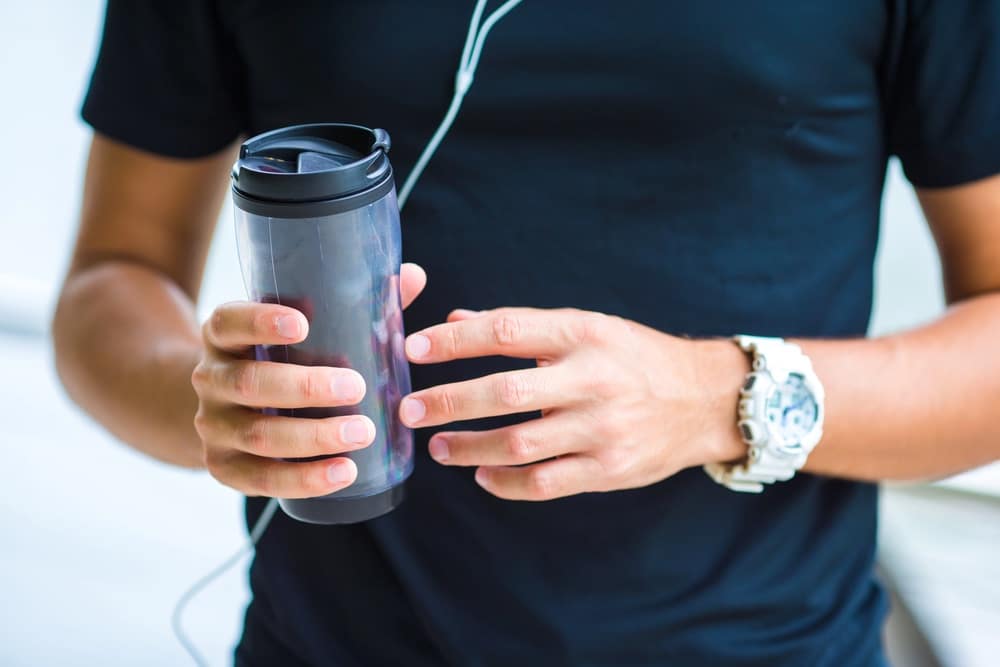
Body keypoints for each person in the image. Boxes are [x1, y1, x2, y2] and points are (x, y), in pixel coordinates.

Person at [53, 1, 1000, 665]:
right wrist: (217, 404)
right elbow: (114, 273)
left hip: (774, 644)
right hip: (330, 642)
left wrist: (722, 396)